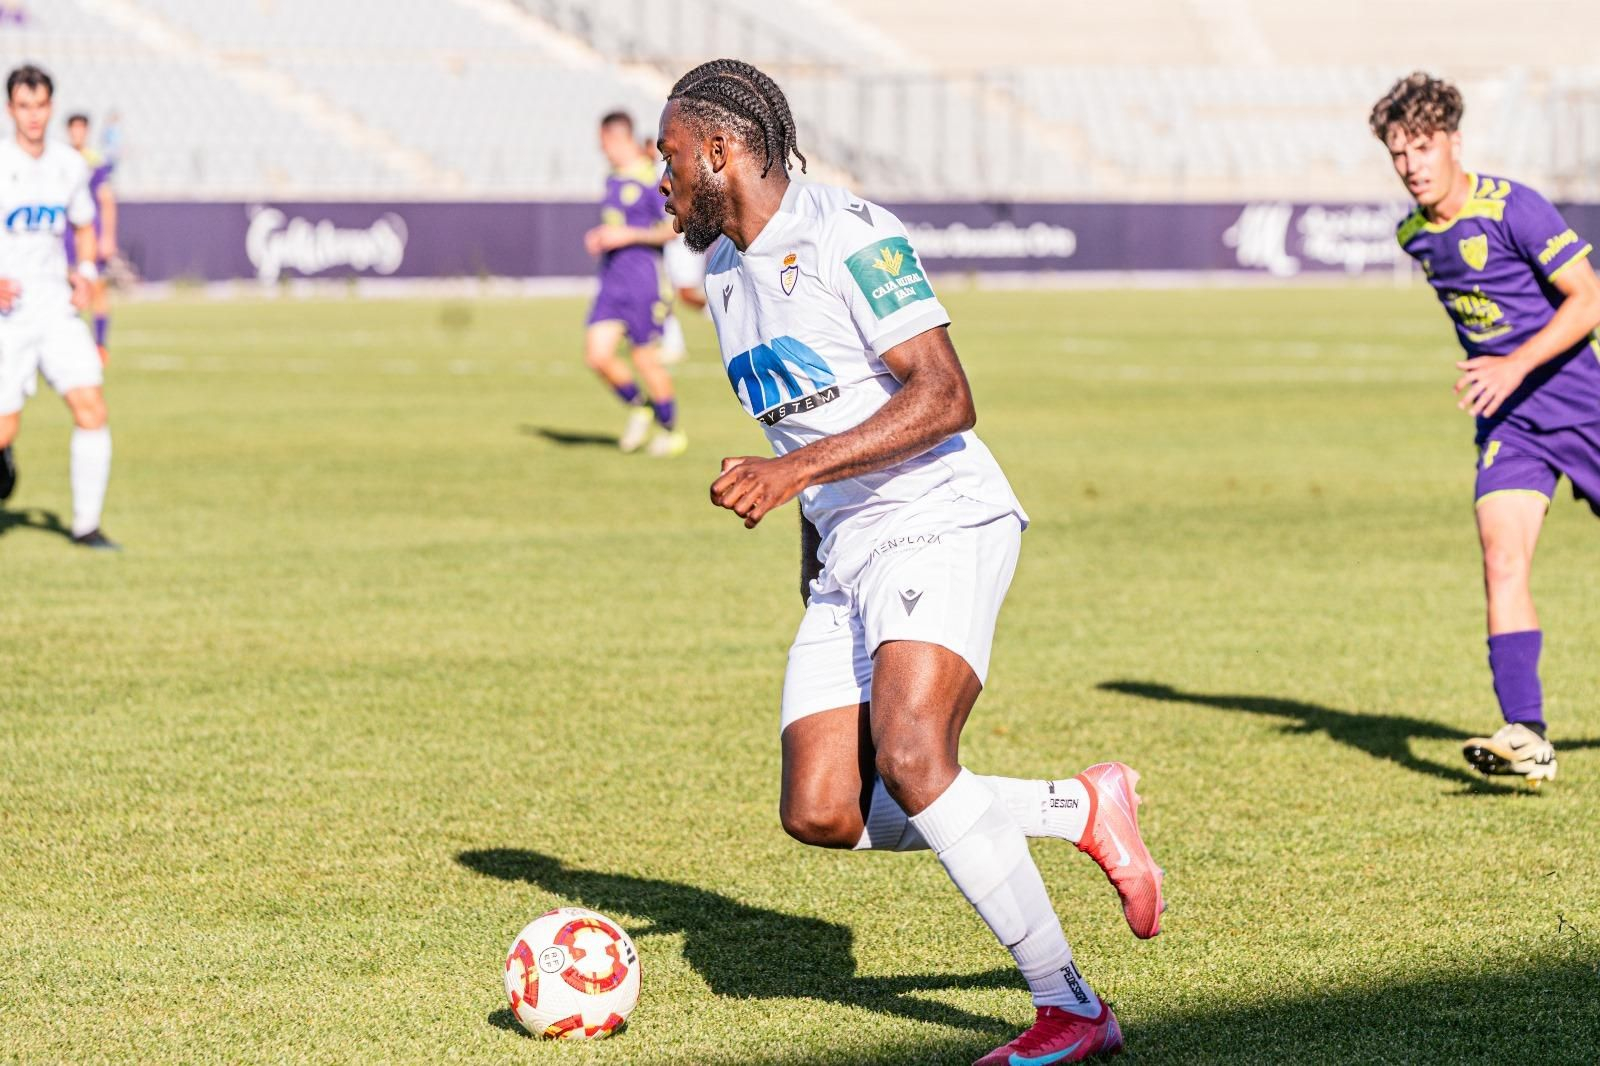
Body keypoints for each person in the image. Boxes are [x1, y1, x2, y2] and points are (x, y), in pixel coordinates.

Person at [657, 59, 1163, 1065]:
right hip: (846, 546)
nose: (660, 184)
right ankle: (1077, 803)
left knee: (914, 754)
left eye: (669, 159)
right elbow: (806, 419)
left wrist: (790, 471)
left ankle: (1072, 1010)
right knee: (823, 809)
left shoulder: (851, 234)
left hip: (940, 515)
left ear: (721, 150)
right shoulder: (721, 273)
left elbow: (944, 394)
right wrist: (812, 540)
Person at [1374, 72, 1600, 786]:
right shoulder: (1414, 234)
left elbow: (1588, 300)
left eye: (1422, 147)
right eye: (1397, 152)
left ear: (1454, 143)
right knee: (1501, 558)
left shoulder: (1514, 208)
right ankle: (1527, 734)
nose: (1411, 165)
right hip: (1511, 424)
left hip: (1581, 403)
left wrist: (1511, 363)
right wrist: (1497, 376)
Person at [0, 64, 117, 549]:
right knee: (4, 428)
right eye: (24, 106)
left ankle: (86, 527)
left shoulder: (69, 165)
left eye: (41, 105)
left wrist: (86, 273)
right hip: (8, 315)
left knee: (91, 406)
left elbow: (84, 226)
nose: (33, 115)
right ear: (11, 109)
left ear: (51, 106)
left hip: (54, 308)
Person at [583, 111, 684, 457]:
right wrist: (603, 238)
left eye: (602, 143)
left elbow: (673, 228)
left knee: (644, 360)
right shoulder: (611, 179)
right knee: (597, 355)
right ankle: (640, 408)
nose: (601, 150)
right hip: (612, 282)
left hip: (645, 283)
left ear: (617, 138)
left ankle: (671, 431)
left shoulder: (651, 178)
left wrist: (626, 235)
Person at [64, 112, 116, 363]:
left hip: (90, 234)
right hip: (64, 236)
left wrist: (107, 236)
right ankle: (64, 343)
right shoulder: (59, 160)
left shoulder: (94, 162)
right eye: (73, 129)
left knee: (97, 289)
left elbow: (106, 200)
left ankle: (100, 345)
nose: (77, 133)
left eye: (81, 129)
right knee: (63, 290)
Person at [659, 234, 705, 366]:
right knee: (662, 293)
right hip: (667, 244)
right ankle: (673, 345)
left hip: (684, 241)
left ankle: (728, 312)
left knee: (687, 295)